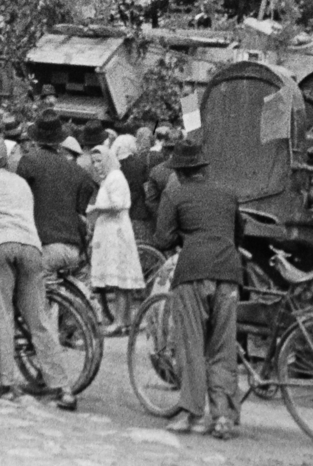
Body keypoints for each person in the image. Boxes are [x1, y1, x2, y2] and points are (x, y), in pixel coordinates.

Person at [0, 130, 76, 411]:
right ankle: (62, 387)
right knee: (38, 319)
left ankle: (4, 383)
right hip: (31, 247)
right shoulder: (20, 183)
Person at [153, 137, 243, 439]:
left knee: (191, 345)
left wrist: (184, 233)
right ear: (202, 166)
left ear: (178, 170)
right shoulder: (228, 194)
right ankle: (223, 418)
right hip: (228, 272)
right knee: (223, 347)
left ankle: (193, 414)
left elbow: (162, 239)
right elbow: (237, 232)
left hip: (192, 272)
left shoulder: (175, 195)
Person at [16, 113, 97, 279]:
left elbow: (19, 200)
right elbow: (87, 187)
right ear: (59, 141)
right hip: (74, 247)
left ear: (35, 139)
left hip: (45, 244)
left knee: (27, 292)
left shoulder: (29, 162)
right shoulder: (76, 170)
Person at [86, 144, 145, 334]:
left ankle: (120, 320)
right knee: (122, 277)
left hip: (116, 231)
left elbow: (118, 204)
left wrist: (96, 208)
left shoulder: (115, 178)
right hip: (112, 230)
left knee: (120, 277)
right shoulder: (109, 178)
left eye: (99, 161)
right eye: (93, 162)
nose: (96, 165)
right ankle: (125, 320)